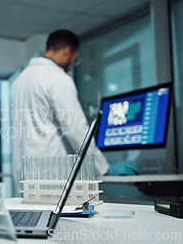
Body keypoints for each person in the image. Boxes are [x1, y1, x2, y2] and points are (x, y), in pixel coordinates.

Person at [11, 30, 138, 192]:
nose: (72, 64)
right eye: (75, 59)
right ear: (67, 51)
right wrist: (103, 168)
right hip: (52, 177)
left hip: (25, 178)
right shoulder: (58, 78)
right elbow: (76, 130)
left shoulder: (19, 80)